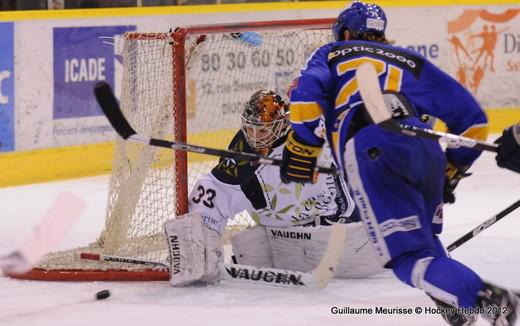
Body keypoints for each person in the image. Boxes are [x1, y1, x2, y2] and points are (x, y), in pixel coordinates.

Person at [280, 2, 518, 325]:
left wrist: (305, 146)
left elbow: (306, 100)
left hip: (372, 149)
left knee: (409, 259)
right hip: (426, 147)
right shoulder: (410, 61)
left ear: (346, 33)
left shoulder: (332, 53)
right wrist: (452, 168)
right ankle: (452, 300)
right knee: (426, 241)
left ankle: (493, 305)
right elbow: (474, 123)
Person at [164, 89, 383, 287]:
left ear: (282, 124)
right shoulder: (244, 152)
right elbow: (214, 192)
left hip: (339, 228)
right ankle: (198, 251)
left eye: (262, 131)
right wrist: (203, 244)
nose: (254, 137)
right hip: (279, 237)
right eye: (250, 129)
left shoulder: (312, 134)